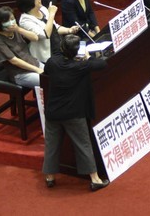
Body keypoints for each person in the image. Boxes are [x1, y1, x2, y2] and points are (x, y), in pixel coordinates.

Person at [41, 33, 110, 191]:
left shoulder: (53, 63)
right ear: (77, 51)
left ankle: (50, 176)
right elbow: (102, 64)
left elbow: (49, 66)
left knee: (51, 144)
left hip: (53, 112)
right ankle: (95, 178)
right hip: (73, 114)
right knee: (83, 145)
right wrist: (87, 57)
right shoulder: (80, 66)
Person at [17, 0, 78, 64]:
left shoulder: (43, 9)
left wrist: (69, 30)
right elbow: (45, 34)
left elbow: (54, 26)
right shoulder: (25, 20)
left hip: (58, 46)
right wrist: (51, 14)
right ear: (30, 1)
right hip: (45, 55)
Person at [0, 6, 43, 89]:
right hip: (20, 73)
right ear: (0, 23)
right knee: (48, 81)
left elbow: (35, 38)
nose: (11, 22)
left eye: (12, 19)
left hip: (34, 63)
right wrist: (36, 69)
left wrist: (18, 29)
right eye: (7, 21)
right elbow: (15, 61)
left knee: (58, 75)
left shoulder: (16, 31)